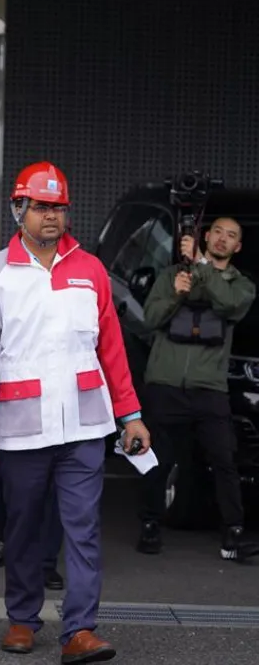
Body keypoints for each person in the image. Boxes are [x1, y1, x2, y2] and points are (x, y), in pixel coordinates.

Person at [0, 161, 150, 662]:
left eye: (58, 208)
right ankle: (22, 617)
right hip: (19, 427)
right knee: (23, 524)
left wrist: (130, 415)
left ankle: (80, 629)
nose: (50, 217)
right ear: (19, 209)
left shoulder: (90, 271)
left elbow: (112, 348)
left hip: (85, 424)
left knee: (83, 526)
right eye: (40, 207)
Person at [137, 217, 258, 560]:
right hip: (167, 382)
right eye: (217, 232)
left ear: (238, 247)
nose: (222, 239)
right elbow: (150, 318)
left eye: (231, 235)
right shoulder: (172, 274)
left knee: (224, 460)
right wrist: (176, 294)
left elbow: (229, 305)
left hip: (209, 387)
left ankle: (232, 535)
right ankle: (149, 525)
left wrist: (202, 266)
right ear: (205, 235)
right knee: (158, 459)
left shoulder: (241, 285)